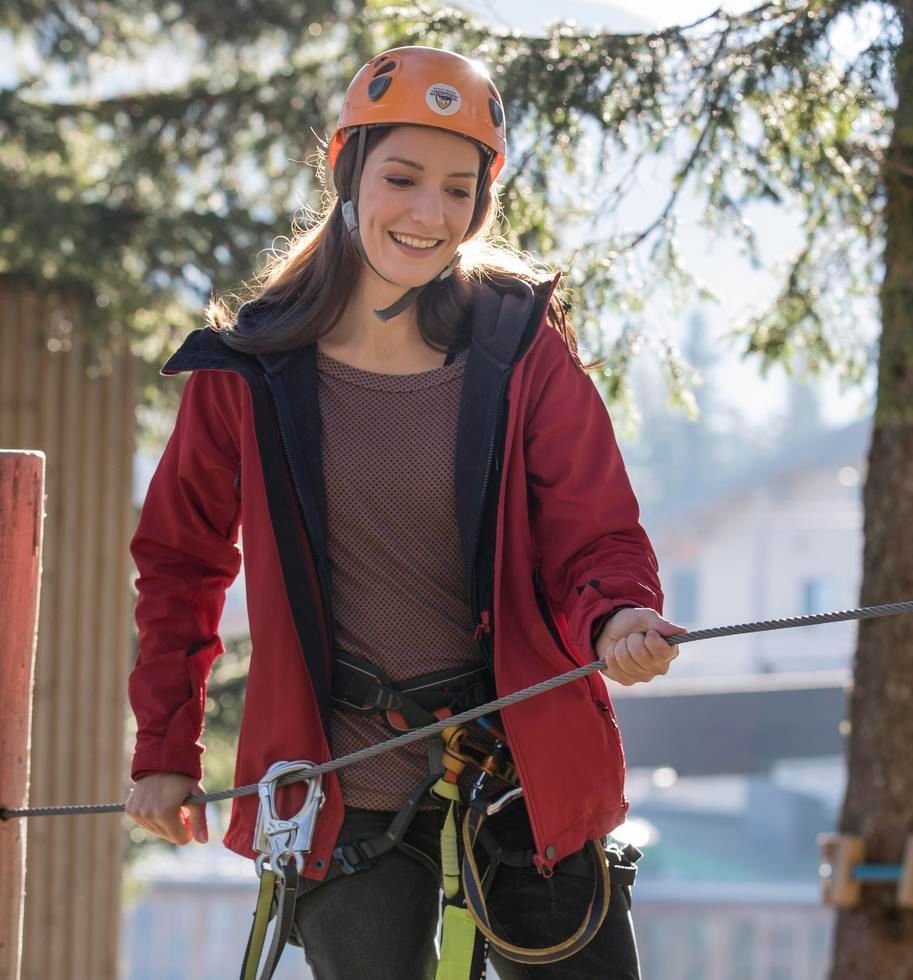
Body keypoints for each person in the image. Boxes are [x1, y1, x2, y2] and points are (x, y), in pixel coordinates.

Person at [125, 45, 685, 979]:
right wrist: (164, 748)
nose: (430, 214)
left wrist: (619, 615)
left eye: (459, 190)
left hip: (522, 755)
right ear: (348, 171)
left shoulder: (520, 349)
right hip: (338, 775)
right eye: (403, 178)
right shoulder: (251, 369)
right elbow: (182, 561)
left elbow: (594, 530)